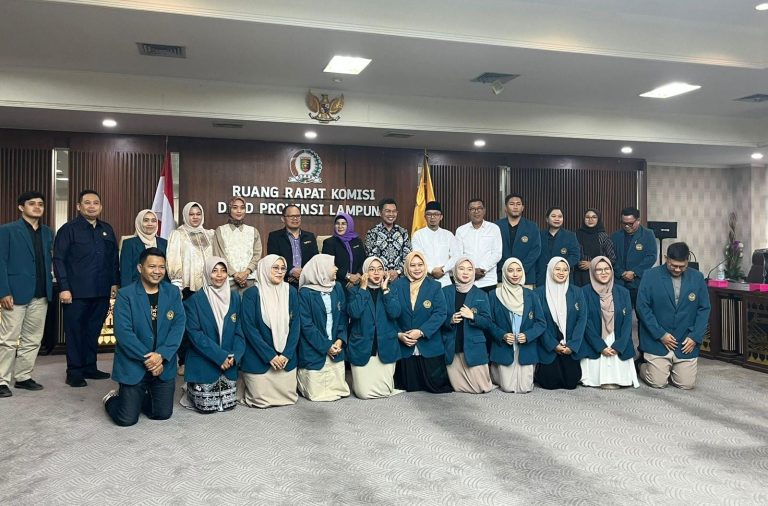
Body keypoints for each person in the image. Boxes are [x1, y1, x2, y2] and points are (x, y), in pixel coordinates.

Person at [102, 248, 185, 426]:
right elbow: (124, 334)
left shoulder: (172, 292)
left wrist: (161, 355)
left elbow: (178, 326)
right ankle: (112, 398)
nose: (157, 271)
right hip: (135, 364)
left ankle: (139, 397)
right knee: (126, 419)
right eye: (152, 266)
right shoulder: (126, 295)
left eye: (161, 267)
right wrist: (150, 359)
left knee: (162, 414)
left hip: (163, 364)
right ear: (140, 268)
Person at [53, 189, 119, 387]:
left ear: (101, 207)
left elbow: (113, 259)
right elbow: (59, 259)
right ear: (78, 206)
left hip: (101, 291)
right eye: (87, 202)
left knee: (93, 331)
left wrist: (114, 282)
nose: (92, 206)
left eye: (95, 203)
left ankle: (90, 367)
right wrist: (64, 287)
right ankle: (74, 371)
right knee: (75, 333)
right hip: (76, 293)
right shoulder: (68, 229)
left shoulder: (106, 229)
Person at [0, 191, 54, 397]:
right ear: (21, 207)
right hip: (14, 293)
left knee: (33, 339)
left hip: (41, 293)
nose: (37, 207)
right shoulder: (7, 230)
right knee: (8, 340)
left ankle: (23, 377)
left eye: (40, 204)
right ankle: (1, 380)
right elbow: (1, 262)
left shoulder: (48, 232)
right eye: (32, 204)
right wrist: (3, 291)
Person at [636, 242, 710, 389]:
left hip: (685, 340)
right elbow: (642, 308)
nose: (677, 269)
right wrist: (660, 334)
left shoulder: (697, 277)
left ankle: (670, 366)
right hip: (658, 339)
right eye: (673, 265)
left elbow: (704, 308)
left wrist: (695, 336)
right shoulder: (650, 275)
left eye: (682, 266)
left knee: (686, 384)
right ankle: (641, 365)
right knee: (658, 382)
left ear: (687, 261)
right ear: (666, 258)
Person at [181, 257, 245, 413]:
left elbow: (240, 331)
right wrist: (220, 356)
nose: (219, 275)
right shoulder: (194, 301)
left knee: (229, 406)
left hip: (229, 360)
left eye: (223, 271)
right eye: (214, 271)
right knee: (207, 407)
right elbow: (195, 335)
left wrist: (233, 356)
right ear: (207, 273)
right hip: (204, 359)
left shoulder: (235, 298)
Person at [239, 255, 300, 408]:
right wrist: (270, 355)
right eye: (275, 268)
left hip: (285, 356)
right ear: (265, 269)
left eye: (283, 268)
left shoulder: (291, 291)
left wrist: (286, 354)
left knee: (289, 396)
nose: (280, 272)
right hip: (259, 356)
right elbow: (249, 328)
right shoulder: (251, 294)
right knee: (260, 399)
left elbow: (296, 325)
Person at [392, 251, 451, 393]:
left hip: (429, 344)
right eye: (412, 265)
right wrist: (399, 334)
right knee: (406, 387)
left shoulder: (435, 286)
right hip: (405, 345)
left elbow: (440, 313)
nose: (417, 268)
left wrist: (421, 332)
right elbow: (391, 315)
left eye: (420, 265)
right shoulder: (396, 286)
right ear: (407, 267)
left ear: (425, 266)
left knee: (436, 386)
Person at [167, 201, 214, 372]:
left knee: (206, 325)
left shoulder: (210, 234)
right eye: (191, 214)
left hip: (208, 287)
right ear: (186, 216)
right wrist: (177, 285)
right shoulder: (178, 234)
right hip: (187, 288)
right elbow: (173, 259)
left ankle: (205, 358)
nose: (195, 217)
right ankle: (184, 361)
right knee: (186, 326)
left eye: (198, 214)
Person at [577, 256, 639, 389]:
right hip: (595, 339)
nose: (604, 272)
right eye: (599, 270)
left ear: (612, 271)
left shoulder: (623, 292)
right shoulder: (583, 292)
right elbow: (585, 323)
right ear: (592, 272)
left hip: (618, 339)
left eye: (607, 269)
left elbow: (627, 322)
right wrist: (600, 347)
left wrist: (618, 346)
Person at [487, 258, 546, 393]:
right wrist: (502, 335)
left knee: (525, 387)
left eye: (518, 270)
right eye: (510, 270)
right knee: (507, 387)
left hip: (525, 347)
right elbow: (488, 323)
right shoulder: (494, 295)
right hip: (504, 347)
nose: (515, 274)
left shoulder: (531, 295)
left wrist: (528, 335)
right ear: (504, 273)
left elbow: (541, 323)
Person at [346, 256, 403, 399]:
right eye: (372, 269)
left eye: (380, 269)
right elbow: (354, 313)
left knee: (385, 390)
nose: (376, 273)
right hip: (362, 344)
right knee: (363, 393)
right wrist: (363, 288)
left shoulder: (391, 289)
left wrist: (385, 290)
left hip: (385, 344)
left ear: (384, 272)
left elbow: (395, 313)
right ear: (365, 272)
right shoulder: (354, 290)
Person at [296, 254, 350, 401]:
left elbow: (343, 316)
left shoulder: (337, 287)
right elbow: (306, 326)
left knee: (339, 390)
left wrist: (340, 340)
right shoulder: (305, 293)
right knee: (316, 394)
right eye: (333, 265)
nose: (336, 268)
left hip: (336, 346)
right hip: (313, 350)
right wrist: (326, 346)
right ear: (321, 269)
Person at [441, 257, 495, 394]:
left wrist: (472, 316)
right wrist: (450, 320)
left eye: (469, 269)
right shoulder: (445, 292)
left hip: (474, 346)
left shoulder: (481, 294)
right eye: (461, 268)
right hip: (453, 345)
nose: (465, 272)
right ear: (454, 271)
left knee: (481, 388)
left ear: (473, 272)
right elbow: (438, 318)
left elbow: (488, 323)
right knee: (457, 387)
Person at [534, 257, 586, 390]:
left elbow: (582, 320)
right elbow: (538, 322)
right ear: (550, 270)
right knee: (549, 383)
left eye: (565, 270)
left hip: (570, 345)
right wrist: (553, 345)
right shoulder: (538, 293)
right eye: (557, 269)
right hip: (550, 345)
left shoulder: (577, 292)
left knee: (571, 383)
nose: (561, 272)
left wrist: (572, 345)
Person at [212, 196, 262, 293]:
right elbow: (219, 255)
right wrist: (235, 274)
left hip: (250, 280)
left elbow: (257, 255)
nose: (239, 211)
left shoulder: (253, 231)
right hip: (228, 280)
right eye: (235, 207)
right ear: (229, 210)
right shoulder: (221, 230)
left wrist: (246, 272)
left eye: (242, 208)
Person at [610, 206, 657, 310]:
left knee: (641, 312)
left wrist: (634, 272)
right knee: (620, 312)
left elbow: (651, 257)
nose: (627, 226)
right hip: (619, 281)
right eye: (624, 223)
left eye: (630, 223)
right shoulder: (615, 236)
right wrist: (622, 273)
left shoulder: (648, 234)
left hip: (639, 282)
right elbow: (611, 257)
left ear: (638, 220)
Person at [455, 198, 502, 292]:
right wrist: (471, 271)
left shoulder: (494, 229)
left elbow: (497, 254)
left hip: (488, 281)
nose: (476, 211)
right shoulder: (461, 230)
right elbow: (458, 255)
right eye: (472, 209)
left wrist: (482, 269)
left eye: (479, 208)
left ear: (484, 210)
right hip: (466, 280)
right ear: (468, 212)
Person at [411, 201, 462, 287]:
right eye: (429, 214)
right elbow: (418, 257)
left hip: (445, 281)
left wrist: (443, 270)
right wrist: (431, 270)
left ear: (441, 217)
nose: (432, 217)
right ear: (424, 216)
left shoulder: (448, 235)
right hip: (424, 280)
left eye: (436, 214)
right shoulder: (418, 235)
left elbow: (456, 256)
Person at [266, 204, 319, 287]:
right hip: (284, 281)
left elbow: (315, 259)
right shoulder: (275, 237)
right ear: (283, 219)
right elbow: (274, 259)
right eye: (291, 216)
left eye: (298, 216)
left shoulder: (310, 236)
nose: (295, 219)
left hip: (307, 282)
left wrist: (303, 273)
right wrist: (291, 271)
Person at [496, 194, 541, 287]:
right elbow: (492, 250)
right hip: (501, 275)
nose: (515, 207)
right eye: (512, 204)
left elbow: (536, 250)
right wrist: (505, 268)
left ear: (522, 208)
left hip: (526, 276)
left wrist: (520, 269)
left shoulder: (532, 226)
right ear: (505, 208)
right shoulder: (496, 226)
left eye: (518, 204)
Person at [364, 198, 411, 281]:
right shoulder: (372, 233)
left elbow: (408, 256)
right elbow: (371, 257)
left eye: (394, 211)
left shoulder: (403, 232)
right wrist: (384, 272)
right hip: (379, 279)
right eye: (388, 211)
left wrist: (397, 272)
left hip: (400, 279)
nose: (391, 214)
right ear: (380, 213)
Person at [120, 209, 167, 287]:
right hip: (136, 288)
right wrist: (127, 292)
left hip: (161, 288)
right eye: (146, 220)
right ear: (139, 222)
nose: (150, 224)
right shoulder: (129, 243)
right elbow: (126, 272)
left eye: (153, 221)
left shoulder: (164, 243)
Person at [535, 207, 580, 287]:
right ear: (547, 219)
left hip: (562, 276)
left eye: (560, 216)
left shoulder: (570, 236)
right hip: (542, 277)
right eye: (553, 216)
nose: (557, 219)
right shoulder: (539, 235)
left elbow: (575, 256)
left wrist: (560, 266)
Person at [321, 212, 366, 288]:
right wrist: (348, 276)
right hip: (338, 283)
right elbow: (328, 265)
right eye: (337, 223)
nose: (340, 226)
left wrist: (358, 276)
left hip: (358, 282)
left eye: (343, 224)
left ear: (349, 225)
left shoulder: (357, 241)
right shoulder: (329, 243)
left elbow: (364, 261)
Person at [573, 208, 616, 287]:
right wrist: (578, 262)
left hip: (598, 275)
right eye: (587, 217)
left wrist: (592, 264)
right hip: (579, 276)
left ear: (598, 219)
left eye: (594, 217)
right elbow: (572, 254)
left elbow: (612, 259)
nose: (590, 220)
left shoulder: (603, 236)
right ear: (583, 219)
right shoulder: (576, 235)